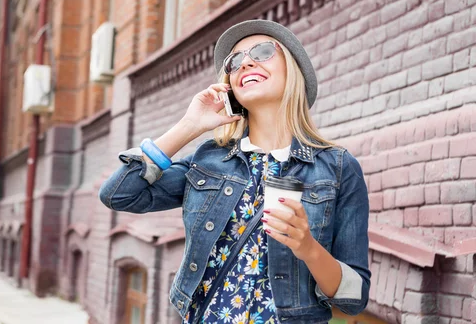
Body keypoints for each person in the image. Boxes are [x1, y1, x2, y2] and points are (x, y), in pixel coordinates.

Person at [99, 20, 370, 324]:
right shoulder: (209, 160)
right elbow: (118, 194)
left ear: (293, 70)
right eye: (235, 61)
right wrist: (189, 127)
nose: (247, 62)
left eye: (263, 51)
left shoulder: (338, 168)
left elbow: (354, 298)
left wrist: (307, 247)